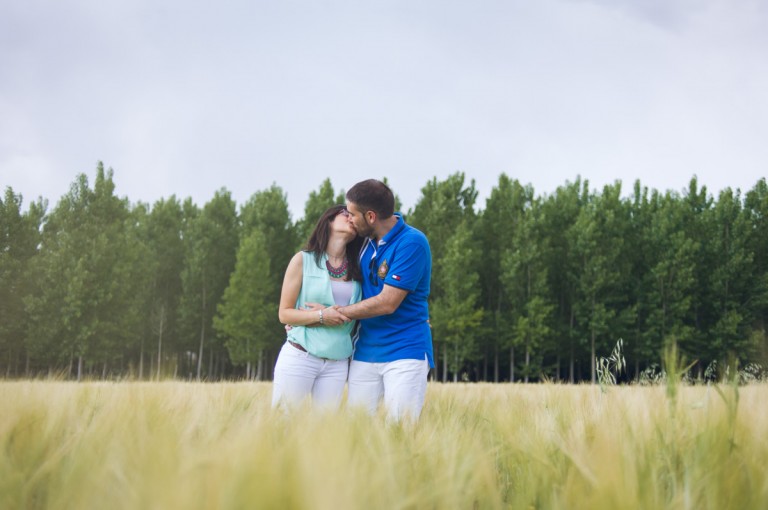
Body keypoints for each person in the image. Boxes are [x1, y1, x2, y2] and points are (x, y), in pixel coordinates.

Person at [323, 179, 433, 422]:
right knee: (358, 431)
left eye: (352, 214)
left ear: (370, 216)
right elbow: (328, 269)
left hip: (405, 351)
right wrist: (306, 316)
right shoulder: (363, 242)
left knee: (400, 430)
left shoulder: (412, 242)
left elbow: (387, 302)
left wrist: (337, 312)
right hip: (365, 352)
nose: (349, 219)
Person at [272, 205, 363, 410]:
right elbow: (284, 314)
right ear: (328, 221)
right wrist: (320, 315)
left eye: (354, 216)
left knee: (324, 433)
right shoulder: (302, 260)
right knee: (282, 424)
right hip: (300, 356)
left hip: (338, 363)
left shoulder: (359, 268)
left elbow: (365, 309)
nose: (351, 218)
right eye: (345, 214)